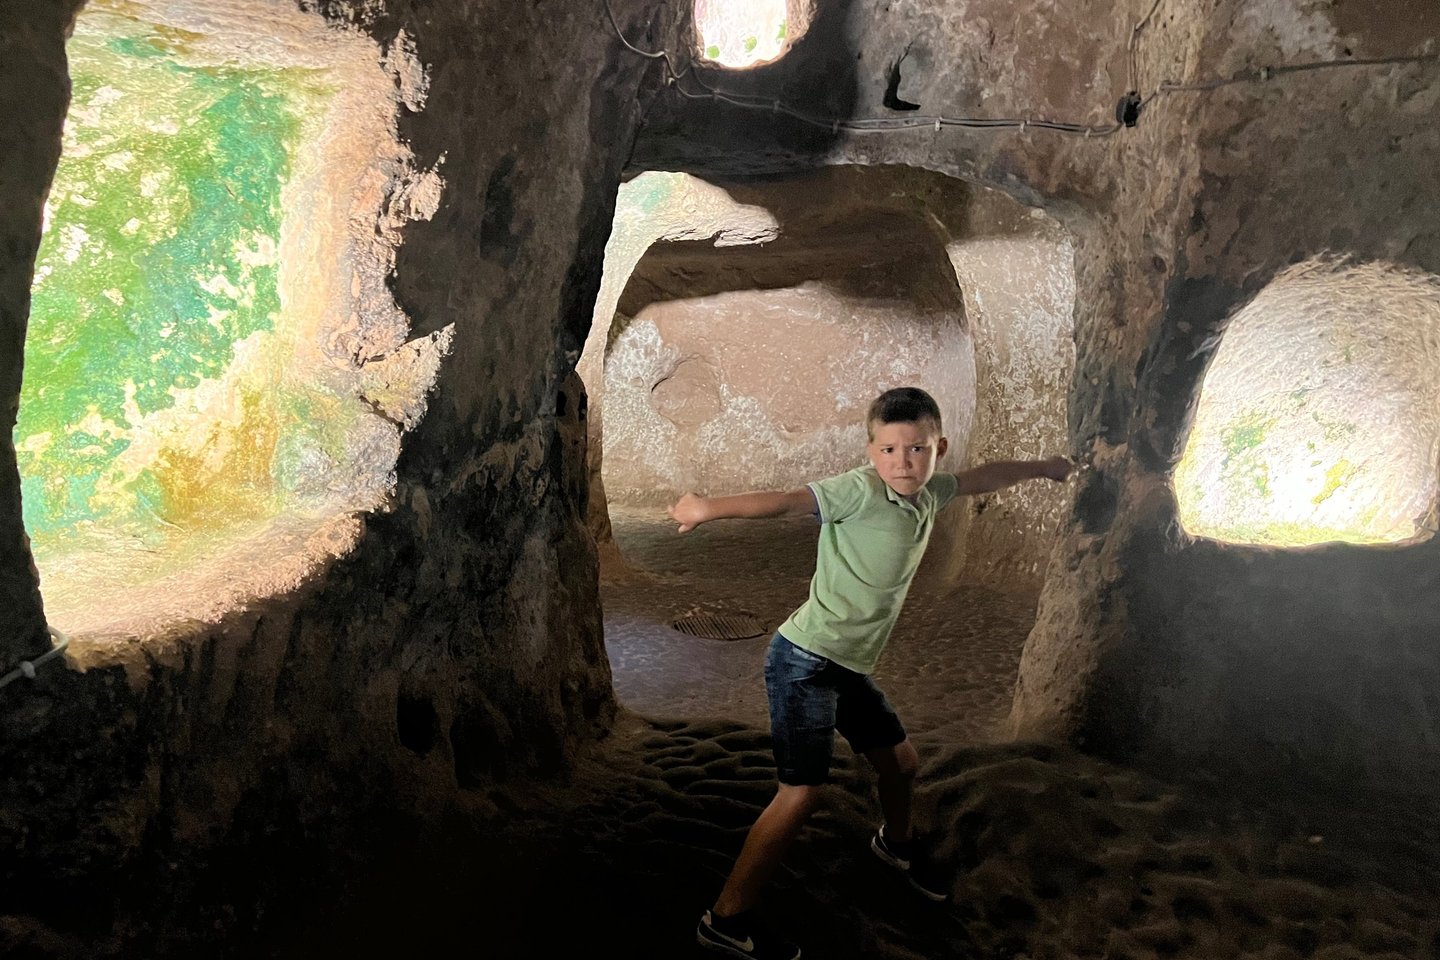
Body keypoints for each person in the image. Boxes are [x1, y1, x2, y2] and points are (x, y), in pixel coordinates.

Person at [671, 386, 1072, 960]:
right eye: (888, 449)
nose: (901, 462)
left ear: (939, 449)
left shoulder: (933, 492)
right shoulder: (856, 492)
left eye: (916, 449)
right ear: (870, 450)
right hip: (804, 661)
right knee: (801, 793)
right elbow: (785, 502)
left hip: (847, 667)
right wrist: (705, 508)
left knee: (901, 764)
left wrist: (1044, 467)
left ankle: (895, 846)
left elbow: (985, 477)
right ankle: (726, 919)